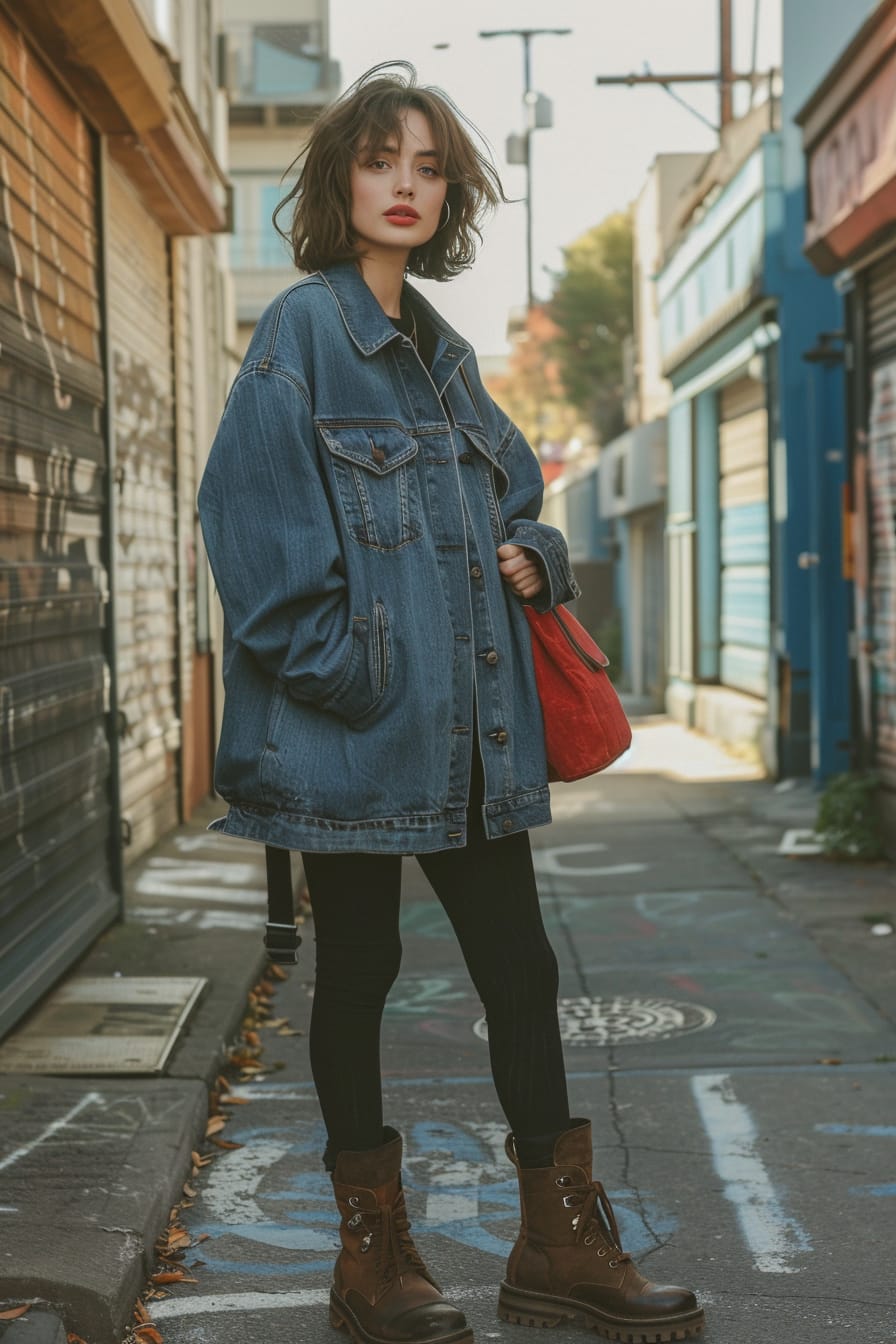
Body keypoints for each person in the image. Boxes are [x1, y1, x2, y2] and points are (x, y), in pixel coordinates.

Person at [198, 62, 703, 1344]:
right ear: (338, 182)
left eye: (428, 167)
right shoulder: (302, 334)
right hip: (351, 741)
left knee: (521, 971)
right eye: (382, 163)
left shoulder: (443, 352)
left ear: (451, 190)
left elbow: (513, 493)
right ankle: (372, 1264)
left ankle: (557, 1247)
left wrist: (538, 547)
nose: (406, 187)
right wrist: (355, 675)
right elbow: (252, 541)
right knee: (358, 971)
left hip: (470, 738)